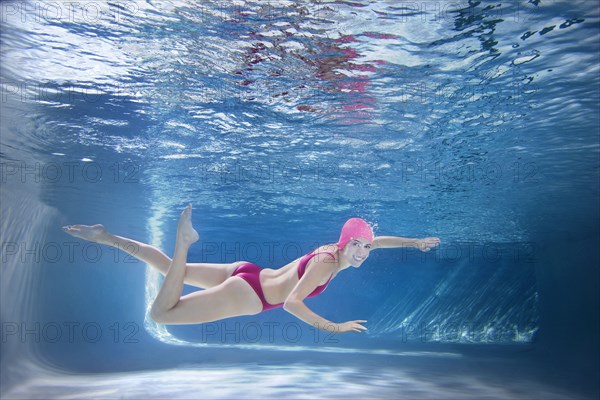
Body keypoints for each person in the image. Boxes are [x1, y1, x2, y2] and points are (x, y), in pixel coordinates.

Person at [63, 205, 440, 334]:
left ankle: (104, 237)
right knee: (160, 314)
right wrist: (334, 327)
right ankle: (184, 242)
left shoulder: (336, 249)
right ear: (344, 244)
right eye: (356, 245)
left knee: (165, 268)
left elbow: (380, 238)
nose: (362, 252)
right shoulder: (327, 265)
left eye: (366, 247)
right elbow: (292, 303)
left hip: (248, 272)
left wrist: (413, 243)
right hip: (250, 294)